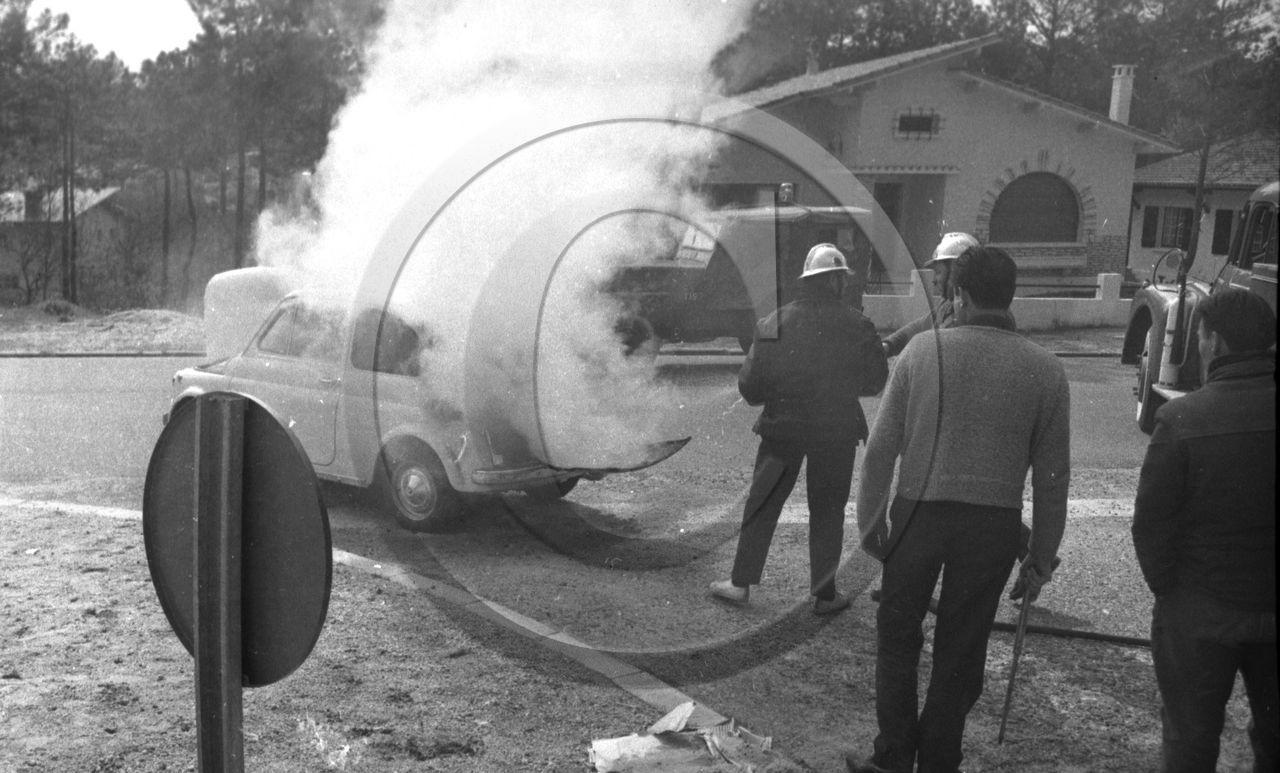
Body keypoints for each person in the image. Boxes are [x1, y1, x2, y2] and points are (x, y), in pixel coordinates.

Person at [848, 246, 1070, 773]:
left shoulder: (922, 353)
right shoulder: (1045, 370)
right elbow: (1054, 480)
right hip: (991, 525)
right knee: (962, 646)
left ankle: (895, 754)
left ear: (959, 295)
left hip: (917, 515)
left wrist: (868, 525)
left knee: (898, 635)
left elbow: (881, 452)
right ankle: (940, 759)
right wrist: (1041, 557)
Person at [1131, 288, 1277, 773]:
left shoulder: (1180, 418)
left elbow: (1151, 524)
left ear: (1214, 342)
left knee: (1191, 740)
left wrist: (1171, 590)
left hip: (1200, 608)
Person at [709, 243, 888, 615]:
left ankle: (740, 584)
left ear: (807, 281)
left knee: (763, 504)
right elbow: (874, 381)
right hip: (836, 431)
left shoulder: (774, 322)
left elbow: (750, 389)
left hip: (782, 430)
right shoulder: (858, 324)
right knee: (827, 511)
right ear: (837, 281)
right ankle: (824, 595)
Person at [880, 232, 979, 358]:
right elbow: (920, 326)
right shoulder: (948, 306)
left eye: (938, 272)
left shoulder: (974, 314)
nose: (934, 280)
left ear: (956, 271)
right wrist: (888, 345)